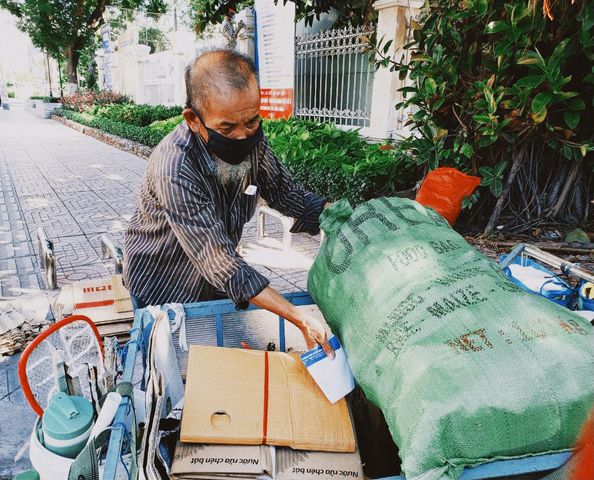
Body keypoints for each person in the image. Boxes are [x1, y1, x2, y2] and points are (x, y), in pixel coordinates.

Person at [124, 49, 333, 356]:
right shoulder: (176, 166)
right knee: (181, 365)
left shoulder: (253, 143)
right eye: (226, 128)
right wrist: (297, 315)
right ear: (194, 119)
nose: (242, 136)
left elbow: (288, 195)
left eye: (251, 121)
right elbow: (219, 260)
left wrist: (341, 217)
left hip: (213, 282)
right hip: (164, 282)